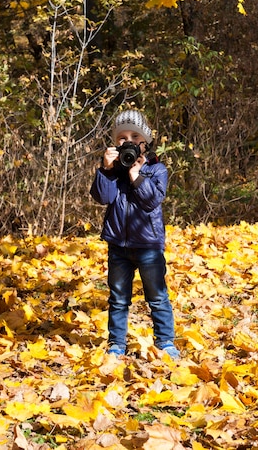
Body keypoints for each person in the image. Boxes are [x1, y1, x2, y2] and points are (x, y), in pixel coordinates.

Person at [90, 109, 180, 360]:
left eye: (134, 137)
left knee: (157, 295)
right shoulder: (113, 171)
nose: (128, 142)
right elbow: (102, 197)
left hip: (148, 245)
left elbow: (152, 201)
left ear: (145, 142)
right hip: (118, 244)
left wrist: (135, 175)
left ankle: (165, 342)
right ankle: (116, 344)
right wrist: (107, 171)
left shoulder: (157, 169)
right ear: (114, 143)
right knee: (118, 298)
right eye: (121, 138)